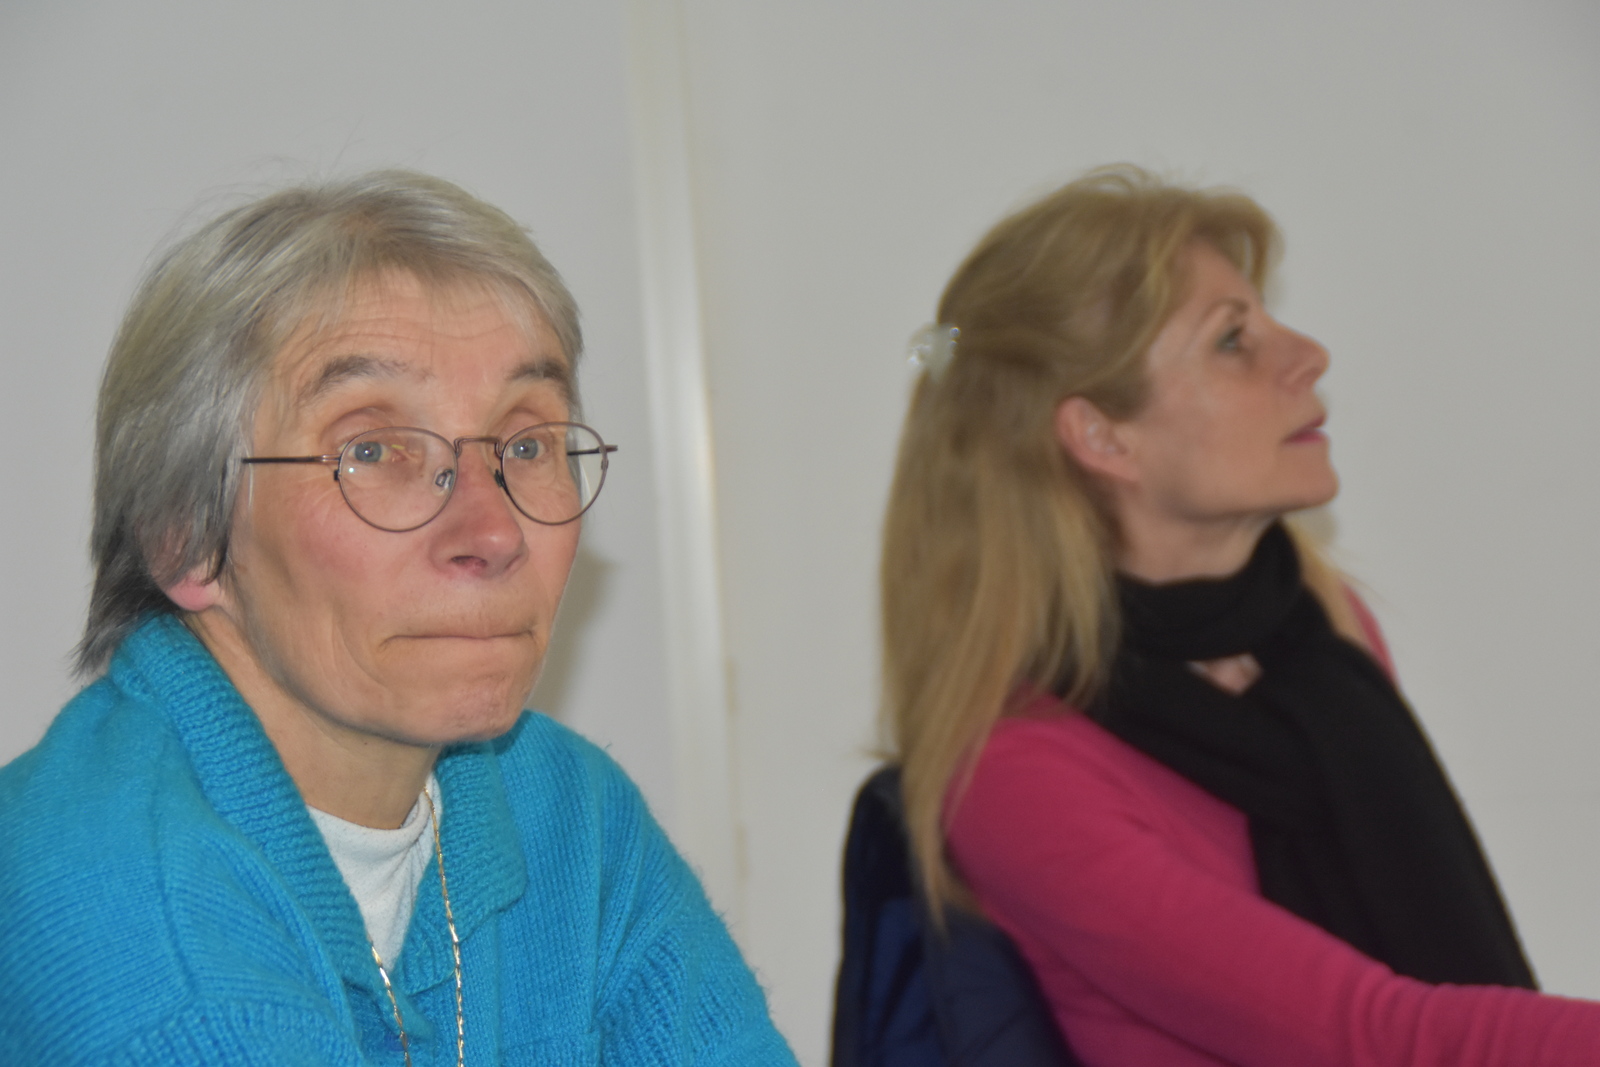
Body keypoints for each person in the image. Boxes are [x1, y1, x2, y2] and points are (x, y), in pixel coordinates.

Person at [0, 171, 796, 1066]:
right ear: (186, 534)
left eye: (526, 443)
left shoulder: (565, 815)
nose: (493, 532)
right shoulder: (148, 944)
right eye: (373, 448)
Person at [874, 165, 1600, 1066]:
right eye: (1231, 340)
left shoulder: (1320, 630)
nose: (1308, 354)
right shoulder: (1019, 773)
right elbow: (1368, 1035)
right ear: (1102, 436)